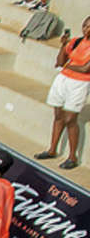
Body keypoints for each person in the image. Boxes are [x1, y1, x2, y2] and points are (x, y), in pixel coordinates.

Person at [42, 14, 90, 169]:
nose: (86, 29)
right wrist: (63, 46)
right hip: (63, 80)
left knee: (70, 119)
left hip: (80, 83)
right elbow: (60, 61)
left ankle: (72, 157)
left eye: (89, 27)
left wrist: (67, 66)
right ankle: (52, 149)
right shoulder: (76, 41)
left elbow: (85, 69)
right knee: (58, 116)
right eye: (85, 26)